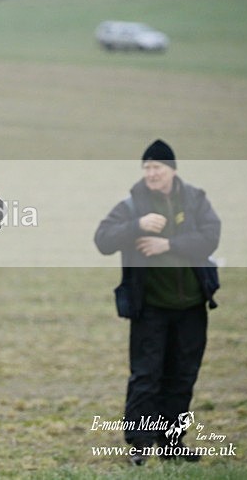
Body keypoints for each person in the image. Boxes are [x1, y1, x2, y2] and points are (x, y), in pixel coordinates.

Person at [94, 139, 221, 465]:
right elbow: (103, 239)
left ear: (172, 170)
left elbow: (211, 236)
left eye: (157, 167)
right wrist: (137, 226)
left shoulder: (195, 199)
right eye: (147, 168)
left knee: (182, 376)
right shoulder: (132, 205)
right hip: (150, 307)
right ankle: (139, 446)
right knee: (146, 376)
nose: (151, 173)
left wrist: (168, 244)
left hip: (192, 306)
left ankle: (172, 443)